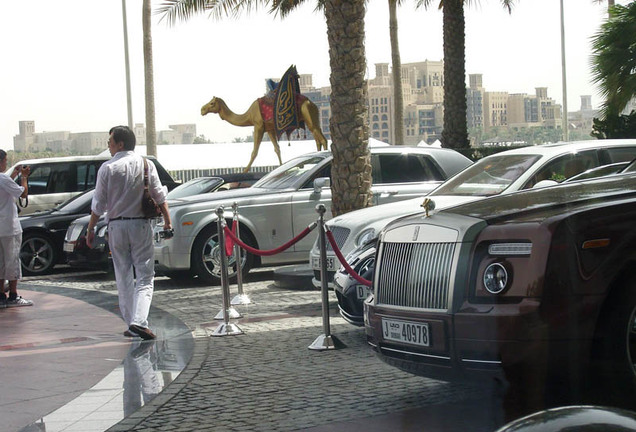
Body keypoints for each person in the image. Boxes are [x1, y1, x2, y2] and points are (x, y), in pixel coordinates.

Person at [86, 126, 172, 340]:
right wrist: (168, 222)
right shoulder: (145, 164)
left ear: (120, 144)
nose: (108, 145)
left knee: (122, 275)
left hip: (115, 226)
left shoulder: (107, 168)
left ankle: (131, 322)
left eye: (110, 142)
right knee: (144, 276)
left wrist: (90, 228)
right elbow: (159, 195)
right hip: (140, 225)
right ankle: (139, 321)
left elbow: (98, 204)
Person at [0, 149, 33, 308]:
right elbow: (23, 193)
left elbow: (6, 184)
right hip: (9, 227)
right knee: (12, 261)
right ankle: (13, 295)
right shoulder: (3, 179)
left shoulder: (3, 179)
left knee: (1, 263)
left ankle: (1, 296)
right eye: (5, 160)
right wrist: (24, 177)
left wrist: (14, 173)